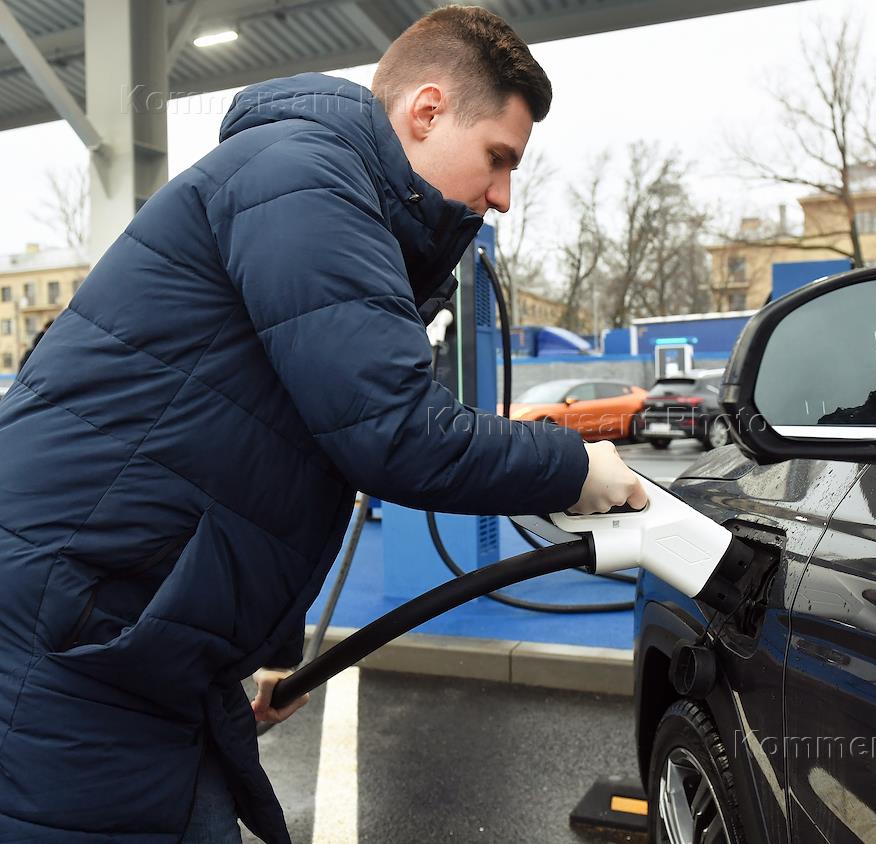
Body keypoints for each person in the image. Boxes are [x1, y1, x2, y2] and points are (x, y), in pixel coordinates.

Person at [0, 6, 645, 842]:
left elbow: (273, 462)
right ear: (427, 111)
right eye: (498, 158)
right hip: (68, 640)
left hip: (119, 633)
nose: (503, 198)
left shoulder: (316, 186)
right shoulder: (303, 175)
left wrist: (270, 654)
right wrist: (576, 466)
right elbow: (393, 432)